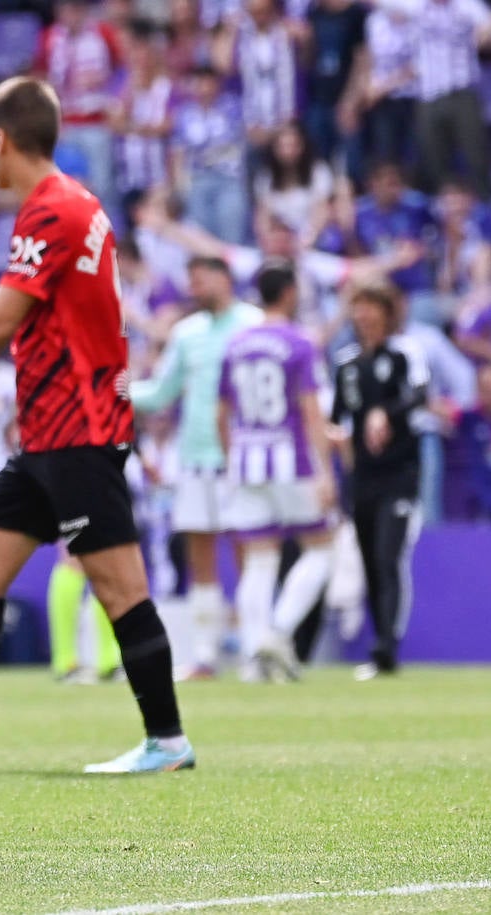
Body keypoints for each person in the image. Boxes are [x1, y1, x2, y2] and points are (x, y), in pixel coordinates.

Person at [0, 76, 196, 775]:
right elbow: (64, 323)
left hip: (80, 431)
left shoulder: (51, 209)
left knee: (119, 586)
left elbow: (0, 319)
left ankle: (167, 739)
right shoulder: (79, 204)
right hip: (52, 431)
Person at [131, 257, 262, 678]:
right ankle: (206, 655)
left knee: (249, 553)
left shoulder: (254, 324)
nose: (195, 288)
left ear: (225, 279)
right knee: (201, 555)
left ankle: (252, 649)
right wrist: (110, 390)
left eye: (201, 279)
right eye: (191, 281)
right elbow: (159, 394)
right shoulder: (187, 334)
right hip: (194, 457)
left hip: (243, 458)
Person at [216, 261, 338, 681]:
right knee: (322, 548)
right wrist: (325, 471)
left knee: (259, 560)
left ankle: (254, 655)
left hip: (247, 459)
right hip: (292, 458)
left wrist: (233, 459)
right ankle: (278, 632)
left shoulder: (235, 344)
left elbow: (221, 412)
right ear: (288, 292)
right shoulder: (300, 343)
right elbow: (310, 408)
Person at [331, 282, 429, 680]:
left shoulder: (407, 352)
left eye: (372, 307)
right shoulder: (347, 363)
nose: (364, 315)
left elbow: (420, 394)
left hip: (400, 474)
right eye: (359, 307)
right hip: (363, 477)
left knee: (389, 556)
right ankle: (380, 646)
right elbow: (336, 419)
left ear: (388, 313)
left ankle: (387, 646)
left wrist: (384, 413)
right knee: (370, 559)